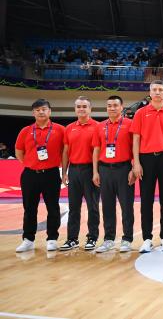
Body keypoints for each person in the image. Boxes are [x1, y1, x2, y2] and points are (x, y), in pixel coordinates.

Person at [132, 80, 163, 253]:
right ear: (150, 92)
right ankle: (147, 238)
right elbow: (136, 139)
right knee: (146, 199)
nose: (157, 92)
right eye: (154, 89)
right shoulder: (140, 113)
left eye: (161, 89)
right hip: (146, 158)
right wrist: (136, 162)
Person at [14, 99, 65, 253]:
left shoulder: (60, 130)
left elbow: (65, 151)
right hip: (30, 175)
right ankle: (28, 239)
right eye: (37, 110)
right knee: (29, 208)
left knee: (53, 207)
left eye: (43, 109)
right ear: (33, 113)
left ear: (50, 111)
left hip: (51, 174)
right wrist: (31, 164)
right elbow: (19, 152)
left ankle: (52, 239)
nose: (41, 112)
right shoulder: (25, 131)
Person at [92, 96, 135, 253]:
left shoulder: (130, 124)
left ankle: (127, 239)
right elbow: (96, 149)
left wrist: (133, 168)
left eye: (115, 105)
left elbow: (135, 148)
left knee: (126, 206)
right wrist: (95, 171)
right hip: (104, 170)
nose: (112, 108)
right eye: (109, 105)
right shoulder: (100, 126)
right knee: (107, 206)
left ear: (121, 107)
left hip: (124, 169)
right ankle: (108, 239)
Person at [60, 96, 100, 251]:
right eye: (78, 106)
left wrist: (96, 172)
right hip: (74, 170)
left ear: (90, 109)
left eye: (84, 106)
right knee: (74, 207)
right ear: (75, 109)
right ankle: (72, 239)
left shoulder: (97, 127)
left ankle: (92, 238)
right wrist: (64, 172)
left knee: (92, 207)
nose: (81, 109)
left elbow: (98, 151)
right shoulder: (69, 128)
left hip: (90, 170)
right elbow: (65, 151)